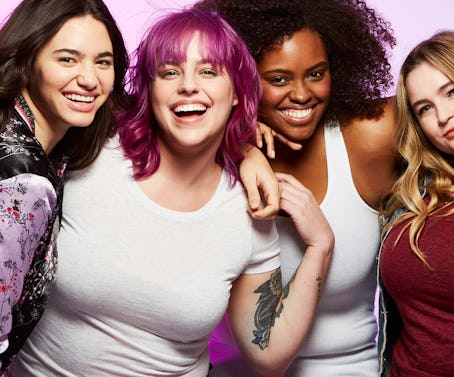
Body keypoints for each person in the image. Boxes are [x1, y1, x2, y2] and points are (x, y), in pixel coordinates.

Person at [9, 7, 334, 377]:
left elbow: (269, 353)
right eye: (170, 72)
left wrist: (320, 247)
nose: (189, 85)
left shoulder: (250, 209)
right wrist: (246, 148)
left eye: (209, 71)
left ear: (237, 95)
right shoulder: (91, 146)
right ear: (149, 89)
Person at [194, 0, 398, 375]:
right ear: (240, 80)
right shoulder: (200, 150)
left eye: (316, 74)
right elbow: (127, 110)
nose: (302, 94)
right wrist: (234, 138)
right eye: (279, 79)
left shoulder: (368, 140)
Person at [0, 0, 129, 369]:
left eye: (102, 62)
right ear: (28, 59)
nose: (90, 79)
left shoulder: (36, 138)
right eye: (67, 59)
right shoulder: (23, 182)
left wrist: (244, 147)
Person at [378, 30, 454, 377]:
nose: (443, 116)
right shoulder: (414, 193)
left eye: (452, 91)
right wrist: (249, 155)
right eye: (425, 108)